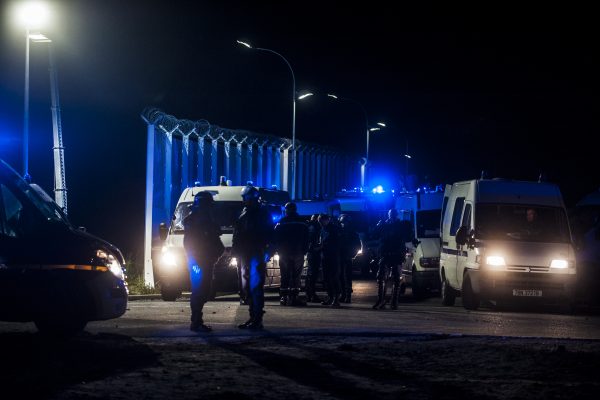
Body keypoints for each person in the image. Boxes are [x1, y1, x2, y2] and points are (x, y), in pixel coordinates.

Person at [231, 185, 274, 330]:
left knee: (255, 286)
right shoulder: (244, 212)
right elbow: (237, 233)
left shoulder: (261, 213)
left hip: (256, 252)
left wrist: (267, 251)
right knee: (246, 287)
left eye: (246, 198)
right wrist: (235, 250)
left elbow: (269, 235)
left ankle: (257, 318)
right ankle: (252, 316)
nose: (244, 200)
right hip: (244, 254)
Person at [183, 191, 224, 332]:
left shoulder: (206, 219)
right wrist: (193, 260)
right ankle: (196, 321)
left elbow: (215, 239)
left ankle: (197, 321)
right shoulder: (194, 221)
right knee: (199, 291)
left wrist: (217, 253)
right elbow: (189, 243)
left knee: (204, 291)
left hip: (205, 260)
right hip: (198, 261)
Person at [372, 208, 414, 310]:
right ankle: (380, 300)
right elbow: (374, 235)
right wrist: (378, 226)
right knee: (381, 277)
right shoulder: (384, 224)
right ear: (388, 215)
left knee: (396, 279)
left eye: (393, 214)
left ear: (396, 215)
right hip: (385, 254)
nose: (392, 216)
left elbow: (408, 236)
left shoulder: (401, 225)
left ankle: (394, 301)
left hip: (396, 254)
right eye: (391, 214)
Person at [273, 202, 310, 306]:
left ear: (286, 210)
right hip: (298, 252)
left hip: (284, 252)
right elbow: (307, 238)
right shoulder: (302, 222)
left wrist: (278, 249)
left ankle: (284, 298)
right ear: (295, 209)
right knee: (296, 275)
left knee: (284, 274)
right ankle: (294, 297)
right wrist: (304, 250)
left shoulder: (281, 222)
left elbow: (275, 237)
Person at [318, 214, 342, 307]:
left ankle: (336, 298)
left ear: (327, 220)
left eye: (321, 221)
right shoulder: (323, 229)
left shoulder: (334, 229)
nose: (320, 223)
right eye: (319, 221)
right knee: (327, 278)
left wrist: (322, 246)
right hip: (325, 256)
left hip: (333, 256)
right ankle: (331, 296)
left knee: (334, 277)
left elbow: (336, 243)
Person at [338, 214, 362, 304]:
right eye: (343, 221)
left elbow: (358, 246)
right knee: (341, 277)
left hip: (347, 257)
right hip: (340, 257)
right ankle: (343, 295)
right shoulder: (338, 231)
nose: (344, 223)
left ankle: (347, 296)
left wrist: (352, 255)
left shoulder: (352, 233)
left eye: (345, 221)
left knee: (347, 277)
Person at [305, 214, 322, 303]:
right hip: (314, 253)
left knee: (310, 275)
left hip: (311, 252)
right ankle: (311, 295)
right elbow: (313, 241)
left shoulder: (308, 226)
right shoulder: (314, 227)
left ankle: (309, 295)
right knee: (312, 275)